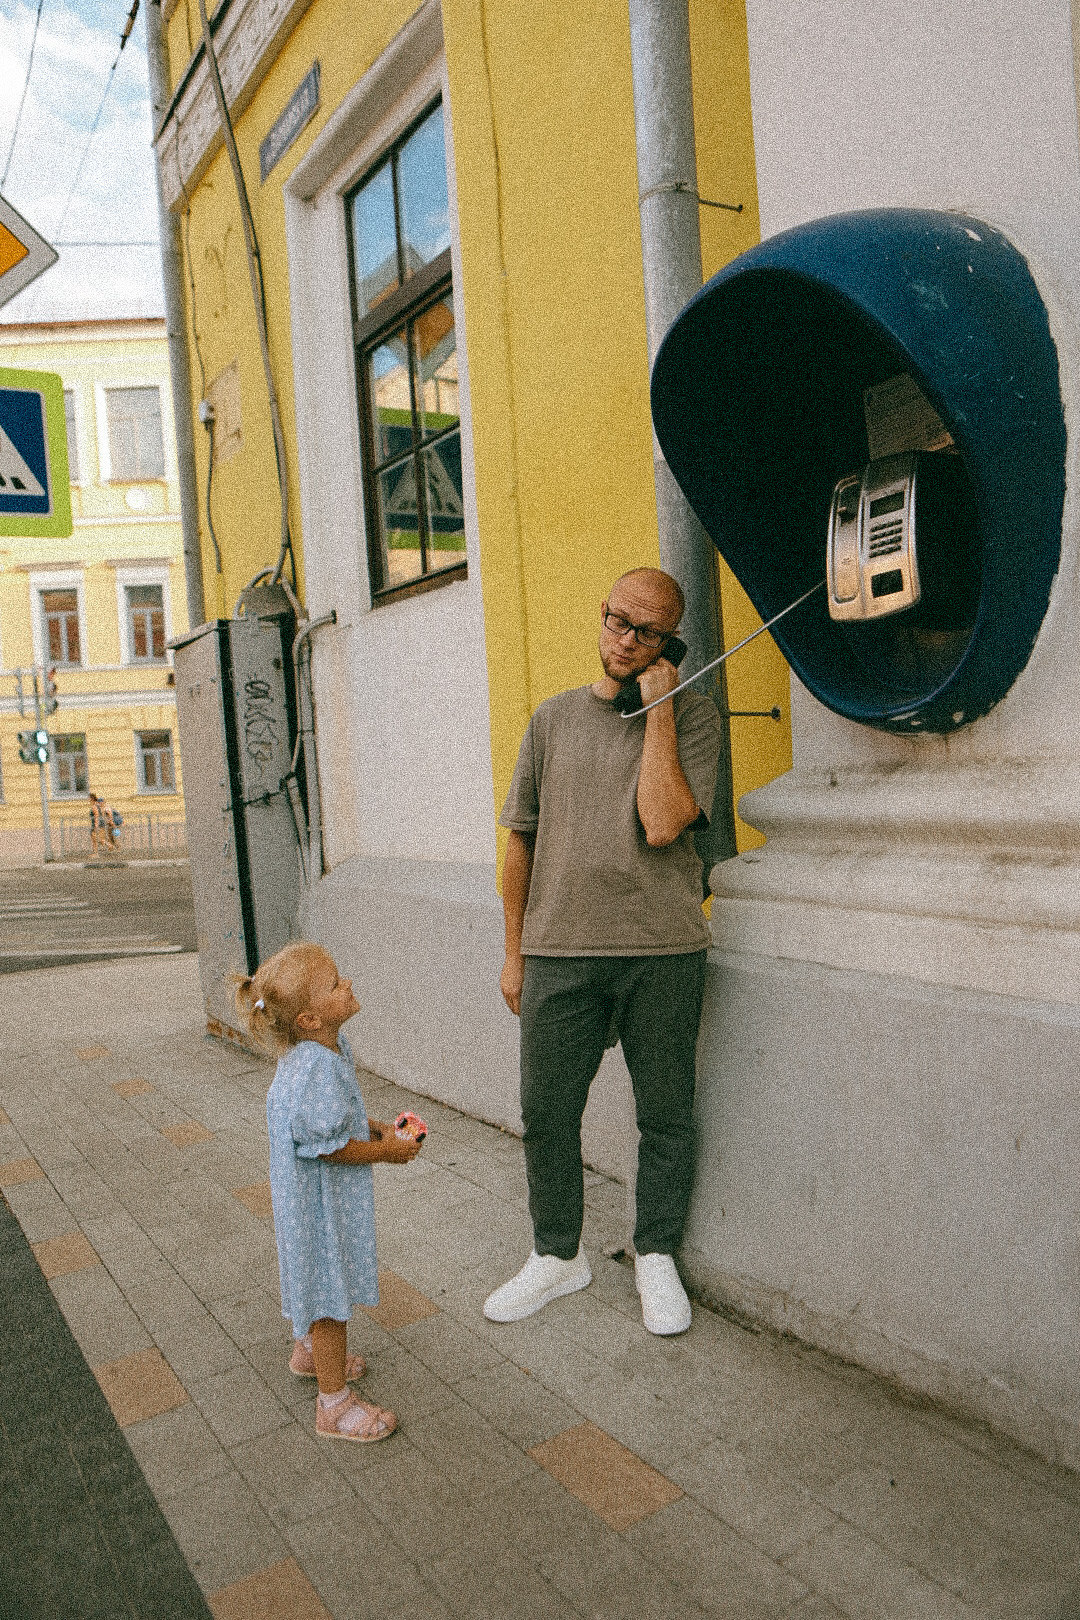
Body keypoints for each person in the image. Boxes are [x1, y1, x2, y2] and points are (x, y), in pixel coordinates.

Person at [484, 567, 722, 1336]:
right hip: (559, 951)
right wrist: (515, 952)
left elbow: (663, 822)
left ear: (669, 644)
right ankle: (557, 1255)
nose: (626, 640)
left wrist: (659, 713)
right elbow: (518, 842)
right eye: (619, 621)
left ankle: (655, 1254)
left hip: (662, 951)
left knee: (666, 1113)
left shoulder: (693, 718)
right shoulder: (552, 721)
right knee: (546, 1112)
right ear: (602, 613)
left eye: (647, 633)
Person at [233, 941, 422, 1443]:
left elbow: (337, 1123)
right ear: (311, 1019)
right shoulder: (315, 1066)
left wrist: (377, 1128)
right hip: (317, 1205)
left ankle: (308, 1353)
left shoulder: (320, 1051)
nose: (348, 985)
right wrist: (387, 1152)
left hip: (304, 1202)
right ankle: (334, 1406)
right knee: (328, 1295)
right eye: (336, 985)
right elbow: (329, 1147)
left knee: (311, 1275)